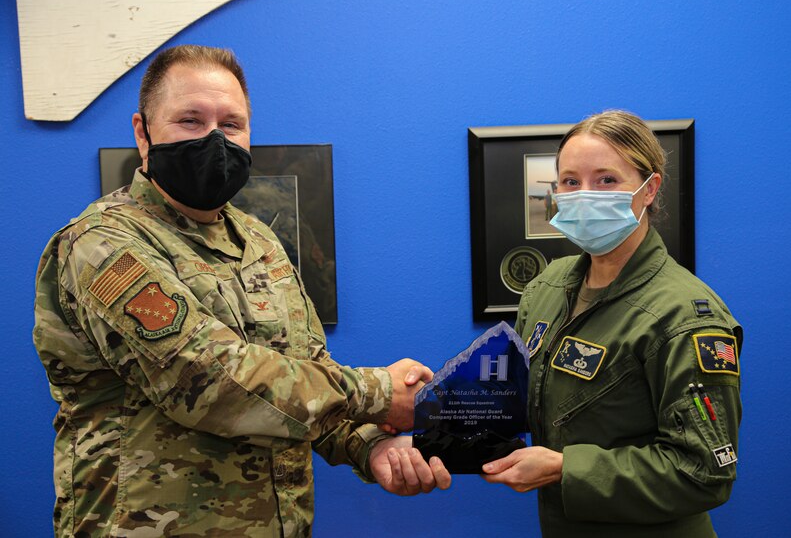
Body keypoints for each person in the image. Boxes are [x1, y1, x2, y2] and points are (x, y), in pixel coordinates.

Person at [33, 45, 449, 537]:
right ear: (143, 134)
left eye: (231, 125)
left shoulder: (257, 239)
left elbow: (307, 371)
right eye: (190, 120)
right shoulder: (103, 244)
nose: (214, 139)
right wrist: (377, 393)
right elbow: (205, 379)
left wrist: (370, 446)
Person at [481, 110, 742, 537]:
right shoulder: (544, 288)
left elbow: (704, 470)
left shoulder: (685, 317)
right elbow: (522, 397)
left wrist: (565, 469)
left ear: (648, 189)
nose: (584, 195)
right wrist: (428, 418)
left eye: (606, 180)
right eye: (570, 182)